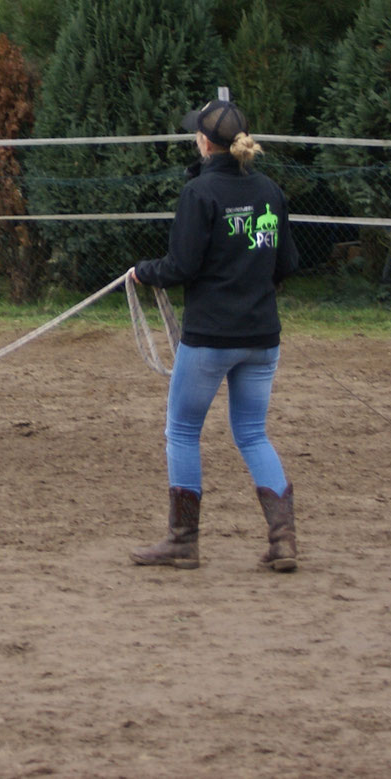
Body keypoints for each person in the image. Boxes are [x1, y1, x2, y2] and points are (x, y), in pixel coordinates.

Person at [128, 99, 302, 572]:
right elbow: (287, 264)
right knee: (252, 433)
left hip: (210, 339)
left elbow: (181, 267)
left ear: (205, 143)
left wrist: (143, 272)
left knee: (181, 431)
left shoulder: (198, 194)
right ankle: (283, 539)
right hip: (262, 337)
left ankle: (183, 541)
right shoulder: (270, 191)